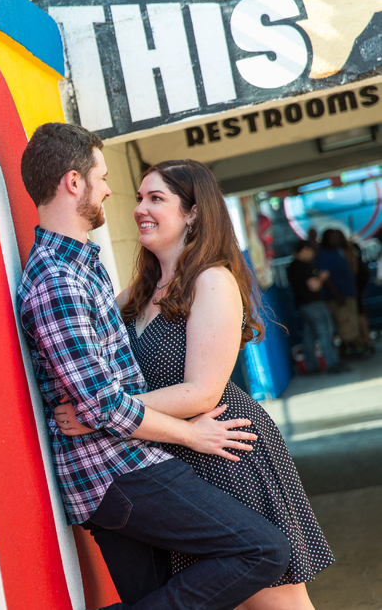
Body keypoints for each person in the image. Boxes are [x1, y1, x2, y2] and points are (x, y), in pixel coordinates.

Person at [17, 123, 290, 610]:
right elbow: (101, 404)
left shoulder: (89, 267)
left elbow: (120, 396)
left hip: (152, 455)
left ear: (191, 214)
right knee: (261, 550)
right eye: (103, 178)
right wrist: (190, 435)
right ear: (74, 183)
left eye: (154, 198)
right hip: (118, 468)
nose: (113, 192)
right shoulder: (60, 281)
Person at [60, 159, 333, 610]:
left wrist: (101, 413)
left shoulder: (212, 281)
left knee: (273, 602)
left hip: (229, 450)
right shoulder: (139, 291)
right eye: (140, 197)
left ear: (192, 213)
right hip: (179, 457)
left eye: (156, 199)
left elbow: (202, 391)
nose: (140, 208)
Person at [287, 241, 348, 374]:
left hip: (303, 306)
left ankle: (311, 366)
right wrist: (322, 277)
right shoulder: (303, 266)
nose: (312, 255)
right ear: (304, 250)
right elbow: (314, 286)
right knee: (325, 333)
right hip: (314, 305)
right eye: (311, 251)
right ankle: (332, 364)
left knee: (309, 337)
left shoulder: (292, 267)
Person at [315, 229, 365, 357]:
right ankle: (349, 350)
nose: (334, 240)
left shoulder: (339, 251)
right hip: (337, 297)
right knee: (344, 325)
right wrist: (337, 295)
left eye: (336, 237)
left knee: (352, 323)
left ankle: (353, 348)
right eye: (331, 238)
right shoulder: (324, 255)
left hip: (349, 292)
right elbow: (325, 278)